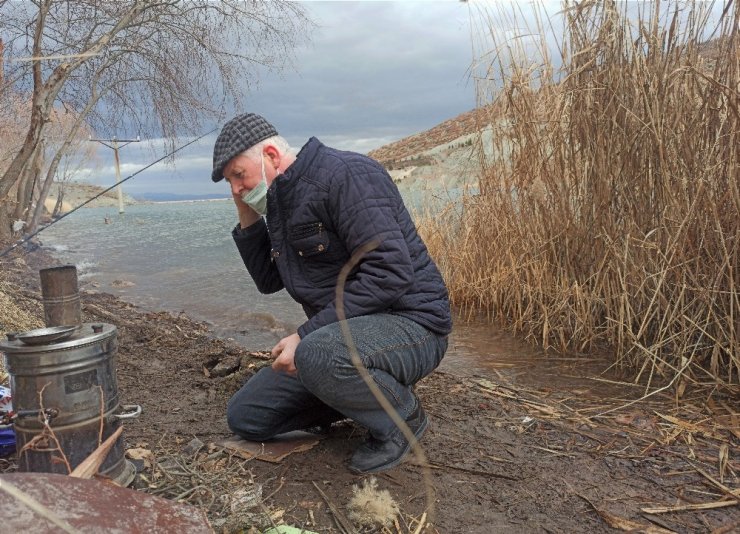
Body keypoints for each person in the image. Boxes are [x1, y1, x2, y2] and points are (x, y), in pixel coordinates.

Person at [212, 113, 452, 474]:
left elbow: (390, 272)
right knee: (247, 417)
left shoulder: (346, 174)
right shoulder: (281, 201)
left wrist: (305, 335)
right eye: (230, 181)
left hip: (414, 325)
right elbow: (268, 280)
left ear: (272, 156)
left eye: (238, 175)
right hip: (344, 338)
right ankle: (355, 390)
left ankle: (403, 419)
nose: (234, 187)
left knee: (317, 352)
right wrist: (247, 210)